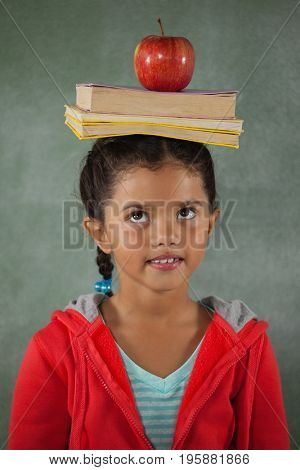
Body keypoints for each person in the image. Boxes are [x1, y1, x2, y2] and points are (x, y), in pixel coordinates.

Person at [7, 135, 290, 450]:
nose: (166, 235)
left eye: (185, 212)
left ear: (211, 224)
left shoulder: (249, 347)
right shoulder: (55, 351)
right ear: (100, 233)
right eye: (137, 216)